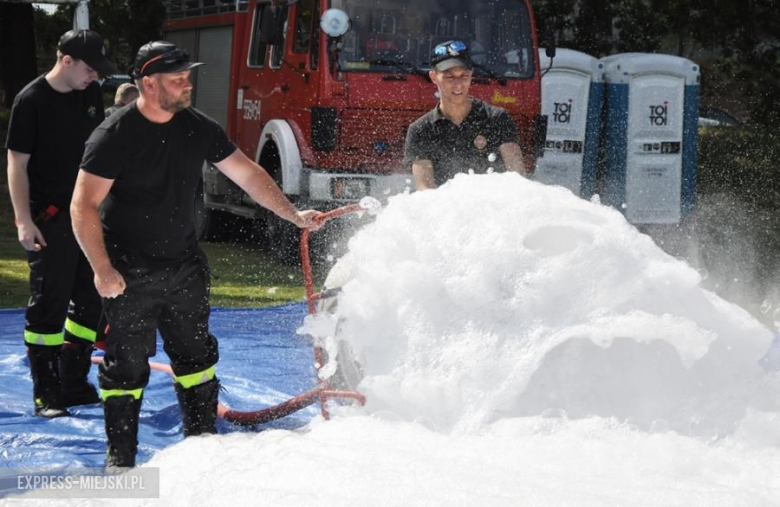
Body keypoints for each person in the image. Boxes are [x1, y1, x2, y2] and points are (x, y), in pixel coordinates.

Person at [70, 40, 323, 470]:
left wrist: (293, 214)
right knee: (126, 368)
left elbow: (248, 174)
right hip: (127, 272)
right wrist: (102, 269)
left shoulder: (197, 127)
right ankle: (121, 459)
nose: (188, 83)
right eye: (177, 78)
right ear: (149, 84)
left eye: (188, 75)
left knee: (197, 359)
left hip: (184, 267)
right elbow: (82, 205)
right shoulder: (114, 135)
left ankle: (202, 446)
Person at [5, 29, 118, 418]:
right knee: (49, 306)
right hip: (50, 218)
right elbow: (16, 165)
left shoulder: (89, 94)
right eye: (90, 68)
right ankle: (47, 391)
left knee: (91, 299)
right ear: (65, 60)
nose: (95, 77)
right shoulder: (30, 101)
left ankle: (73, 378)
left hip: (88, 215)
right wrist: (23, 221)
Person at [404, 40, 531, 190]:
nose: (458, 84)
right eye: (449, 77)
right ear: (433, 77)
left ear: (471, 75)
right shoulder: (420, 130)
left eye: (464, 75)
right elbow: (425, 191)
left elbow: (518, 178)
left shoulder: (497, 118)